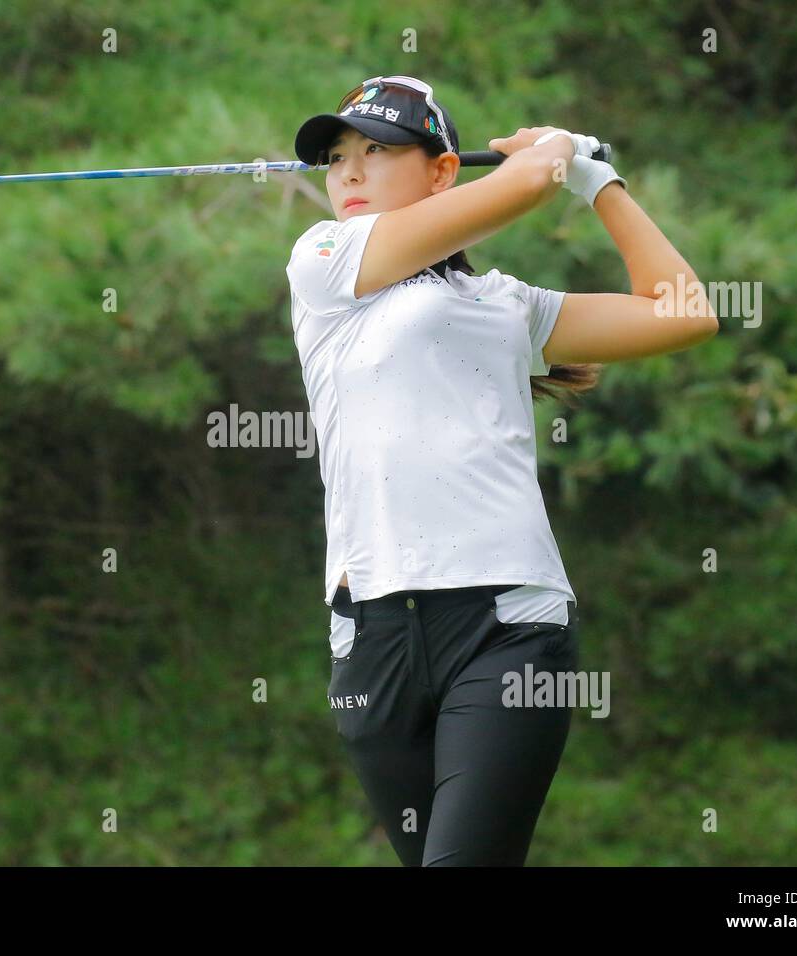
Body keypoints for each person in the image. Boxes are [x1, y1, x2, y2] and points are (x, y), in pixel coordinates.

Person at [286, 76, 719, 866]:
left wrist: (598, 183)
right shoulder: (323, 261)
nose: (348, 171)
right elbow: (522, 182)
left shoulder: (509, 305)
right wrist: (553, 154)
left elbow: (686, 310)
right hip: (372, 636)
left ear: (443, 171)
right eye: (336, 155)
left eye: (377, 150)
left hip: (507, 627)